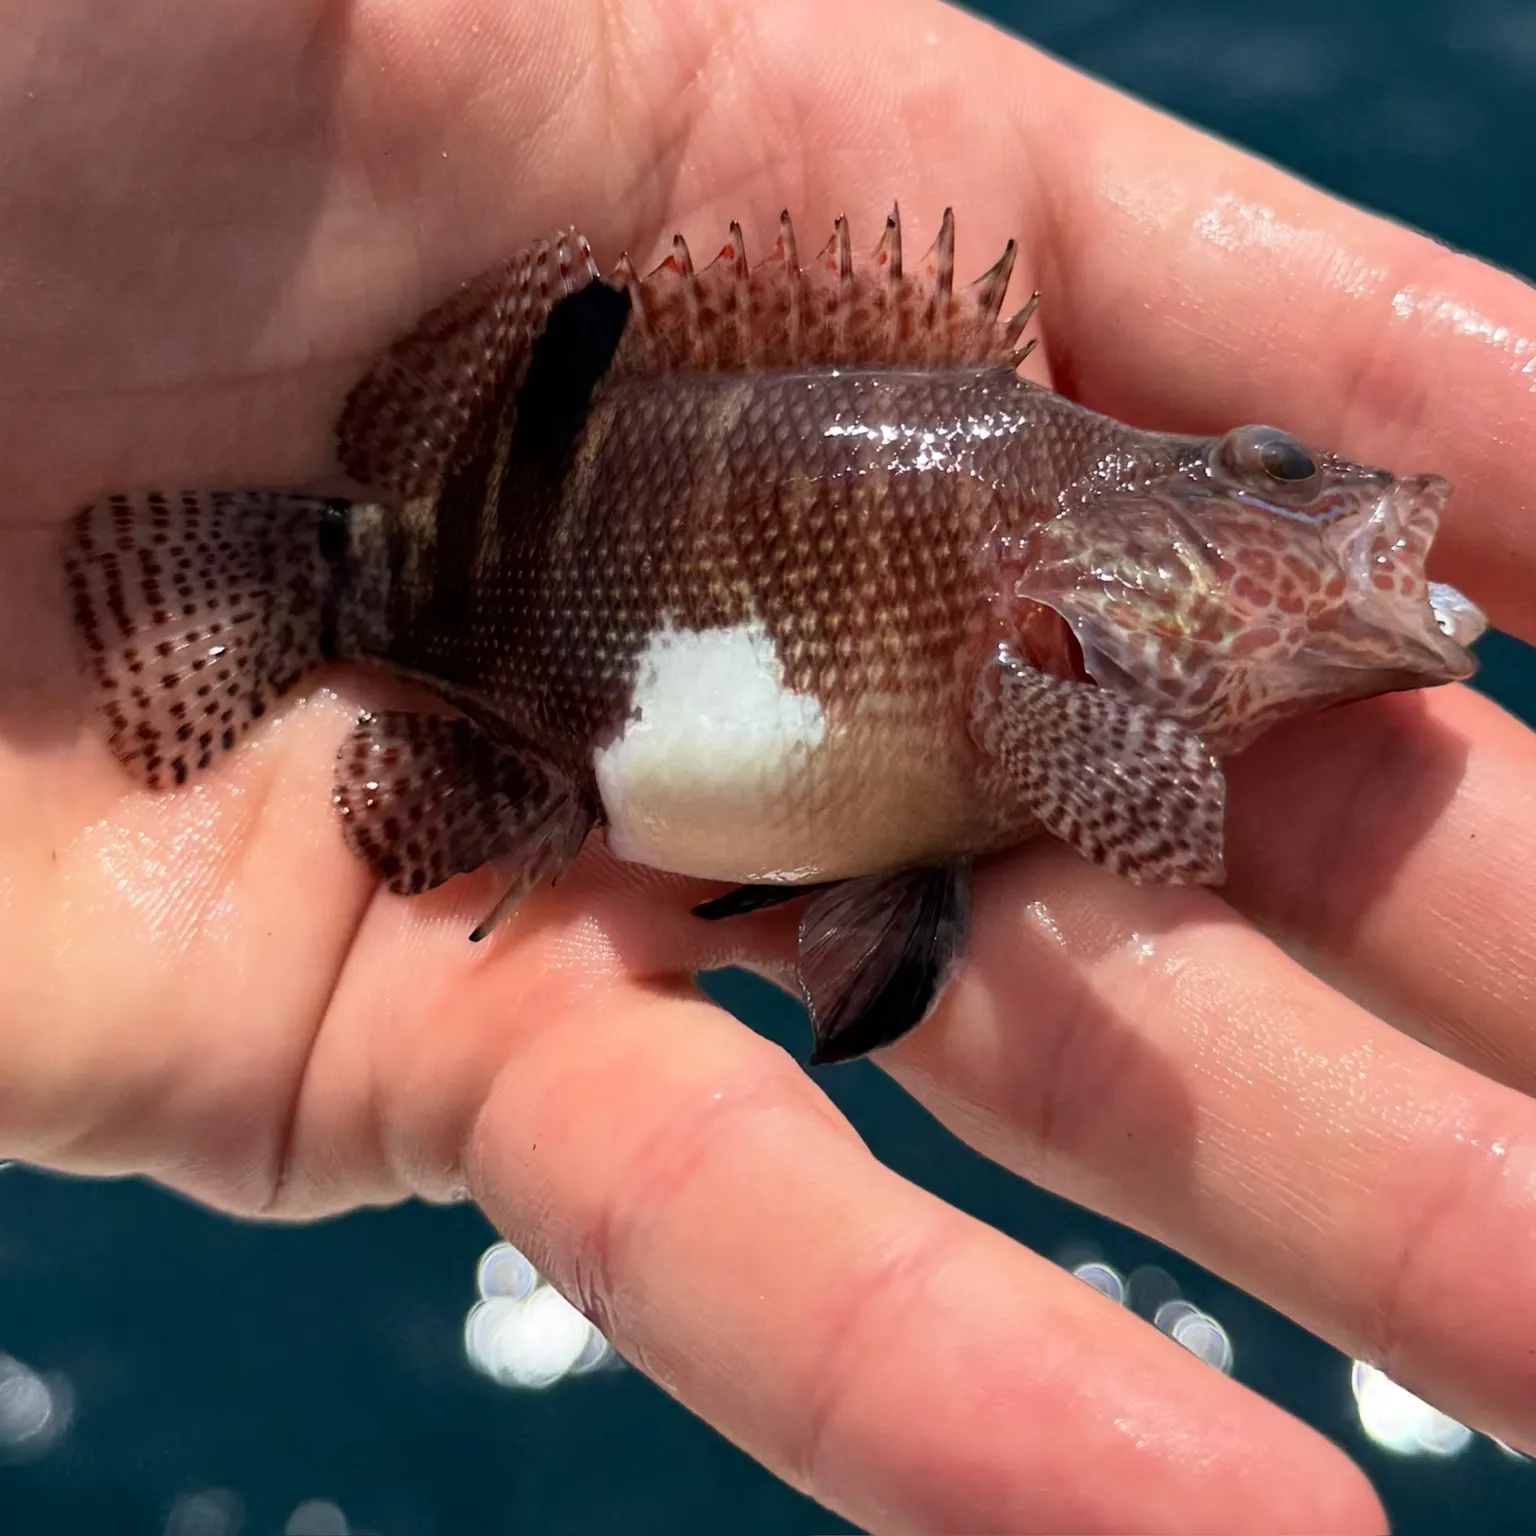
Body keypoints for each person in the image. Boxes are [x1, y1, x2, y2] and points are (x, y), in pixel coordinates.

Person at [2, 0, 1533, 1528]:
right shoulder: (1053, 592)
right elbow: (1143, 804)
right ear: (1133, 536)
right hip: (542, 703)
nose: (1319, 506)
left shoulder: (1060, 550)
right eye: (1270, 476)